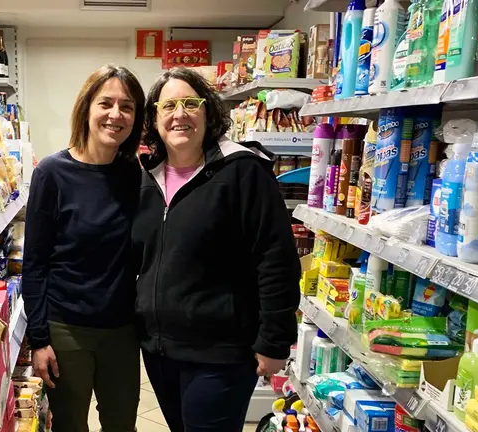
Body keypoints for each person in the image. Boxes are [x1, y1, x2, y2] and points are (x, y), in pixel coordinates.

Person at [132, 67, 301, 431]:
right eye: (169, 106)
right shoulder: (147, 177)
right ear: (155, 118)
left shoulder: (243, 172)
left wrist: (274, 340)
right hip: (160, 350)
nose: (180, 114)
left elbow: (276, 259)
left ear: (208, 112)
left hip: (221, 352)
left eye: (191, 104)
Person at [23, 64, 145, 432]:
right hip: (66, 329)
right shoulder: (52, 172)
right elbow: (35, 263)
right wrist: (39, 339)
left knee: (121, 424)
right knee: (71, 425)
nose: (115, 114)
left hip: (123, 330)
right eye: (105, 103)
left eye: (127, 106)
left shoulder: (137, 175)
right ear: (86, 108)